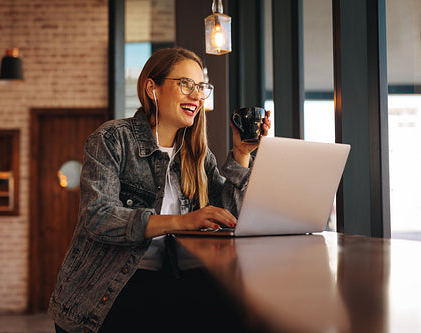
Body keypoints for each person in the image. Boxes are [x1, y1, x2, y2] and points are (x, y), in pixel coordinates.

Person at [48, 47, 271, 333]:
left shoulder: (198, 156)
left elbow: (228, 216)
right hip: (108, 289)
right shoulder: (112, 139)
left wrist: (241, 154)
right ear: (152, 88)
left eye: (201, 87)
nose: (197, 95)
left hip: (170, 277)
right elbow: (98, 217)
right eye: (186, 84)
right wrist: (181, 221)